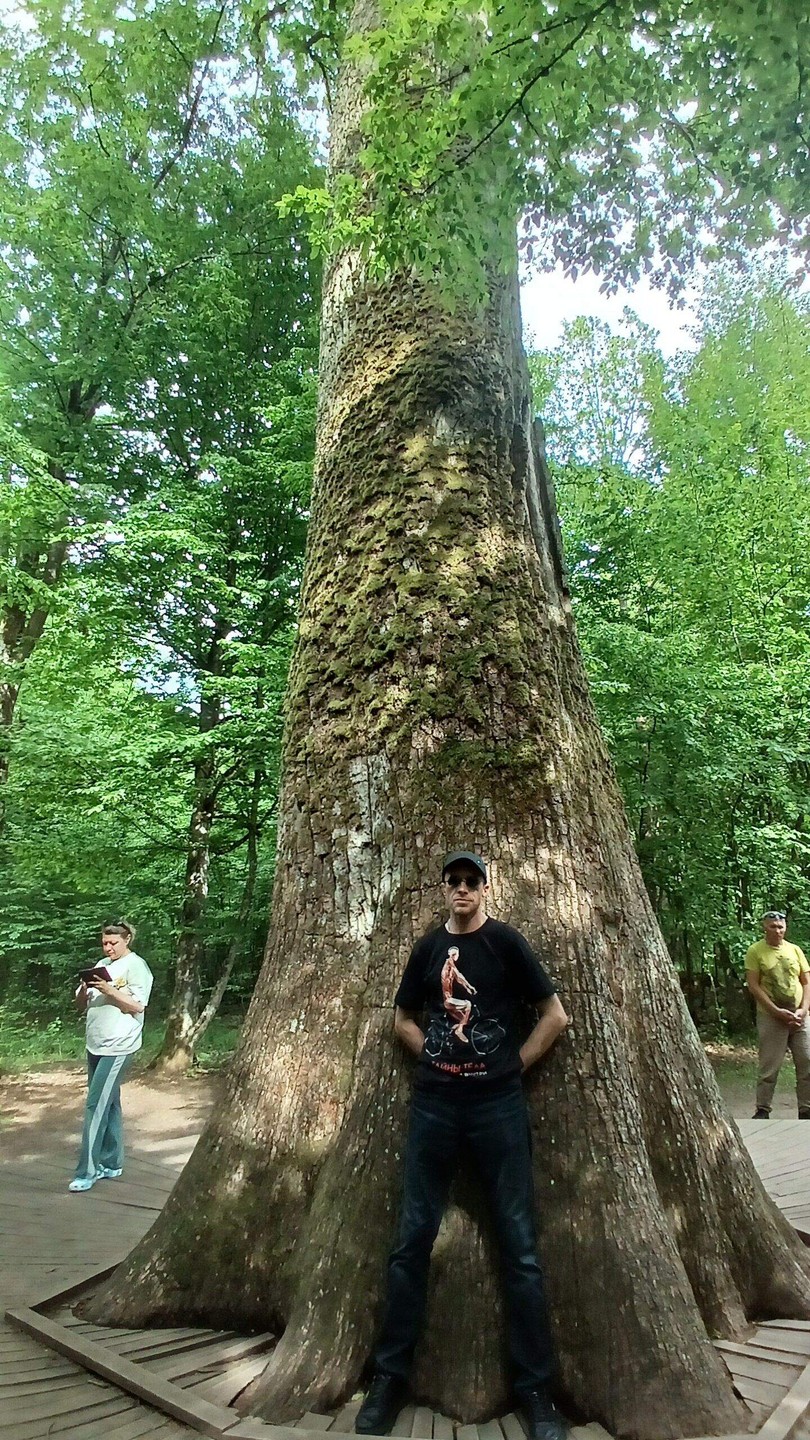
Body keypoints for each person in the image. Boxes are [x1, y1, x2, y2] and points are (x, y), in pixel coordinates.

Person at [356, 851, 569, 1440]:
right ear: (443, 888)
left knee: (520, 1248)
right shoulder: (427, 950)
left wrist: (511, 1069)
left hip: (498, 1108)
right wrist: (432, 1055)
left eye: (471, 881)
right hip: (435, 1106)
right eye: (453, 881)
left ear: (484, 888)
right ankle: (389, 1379)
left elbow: (554, 1016)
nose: (462, 889)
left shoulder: (506, 943)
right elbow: (401, 1018)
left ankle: (535, 1391)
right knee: (410, 1242)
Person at [69, 919, 154, 1193]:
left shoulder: (137, 967)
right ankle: (112, 1162)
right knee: (110, 1102)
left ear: (127, 939)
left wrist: (110, 991)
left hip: (119, 1045)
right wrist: (84, 991)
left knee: (95, 1105)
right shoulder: (100, 965)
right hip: (95, 1042)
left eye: (113, 943)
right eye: (105, 942)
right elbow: (80, 1006)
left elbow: (137, 1006)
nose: (108, 948)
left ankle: (87, 1171)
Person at [745, 910, 810, 1119]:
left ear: (785, 928)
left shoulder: (795, 950)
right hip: (771, 1016)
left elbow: (806, 982)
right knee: (769, 1066)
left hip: (799, 1016)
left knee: (807, 1061)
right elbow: (754, 986)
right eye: (773, 926)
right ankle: (763, 1109)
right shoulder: (756, 951)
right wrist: (776, 1011)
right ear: (765, 927)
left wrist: (804, 1009)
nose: (777, 930)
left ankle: (806, 1109)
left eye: (781, 926)